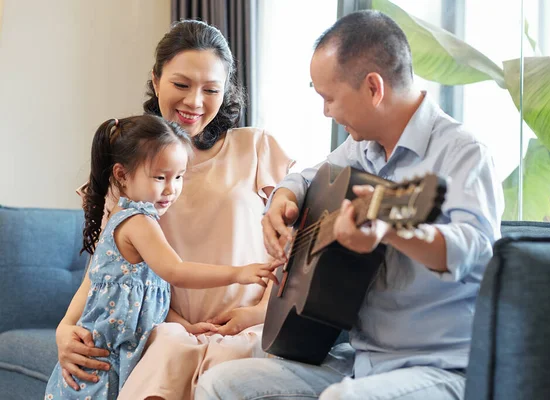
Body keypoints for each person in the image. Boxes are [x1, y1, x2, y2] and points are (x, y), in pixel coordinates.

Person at [194, 10, 504, 400]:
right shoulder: (362, 148)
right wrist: (283, 200)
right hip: (362, 362)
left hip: (441, 368)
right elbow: (308, 177)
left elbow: (475, 248)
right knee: (219, 384)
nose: (327, 112)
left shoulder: (463, 152)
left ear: (374, 88)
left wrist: (390, 232)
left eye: (330, 98)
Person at [55, 21, 293, 400]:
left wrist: (259, 312)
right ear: (156, 78)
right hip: (167, 331)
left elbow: (292, 247)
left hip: (250, 327)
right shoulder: (132, 170)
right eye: (181, 85)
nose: (195, 102)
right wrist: (65, 328)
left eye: (211, 89)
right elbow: (106, 265)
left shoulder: (257, 148)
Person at [44, 115, 279, 400]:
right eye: (160, 178)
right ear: (121, 175)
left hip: (119, 353)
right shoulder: (138, 223)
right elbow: (175, 271)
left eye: (179, 177)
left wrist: (185, 326)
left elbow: (147, 296)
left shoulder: (136, 218)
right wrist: (237, 273)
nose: (171, 189)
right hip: (104, 360)